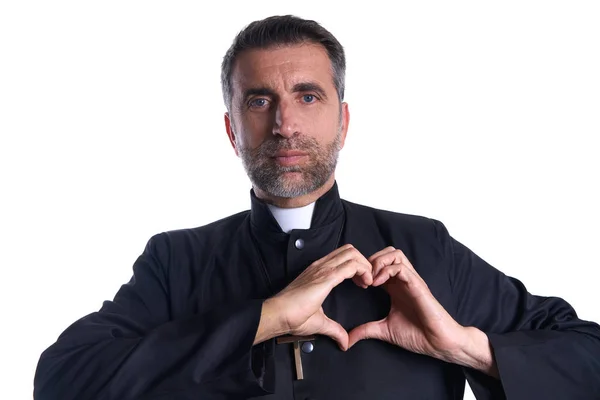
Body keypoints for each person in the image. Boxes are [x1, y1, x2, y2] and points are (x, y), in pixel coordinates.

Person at [34, 15, 600, 400]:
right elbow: (61, 378)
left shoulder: (423, 247)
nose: (285, 125)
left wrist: (465, 346)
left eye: (308, 96)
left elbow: (587, 357)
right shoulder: (177, 260)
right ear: (232, 130)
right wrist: (266, 318)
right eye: (260, 101)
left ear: (344, 120)